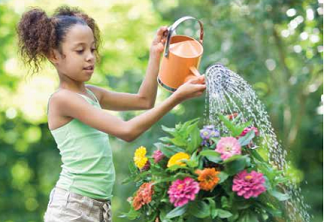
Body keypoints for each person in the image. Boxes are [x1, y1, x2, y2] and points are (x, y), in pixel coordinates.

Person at [17, 5, 206, 222]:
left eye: (92, 49)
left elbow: (144, 101)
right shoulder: (63, 100)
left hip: (98, 208)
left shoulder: (91, 94)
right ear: (54, 55)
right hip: (72, 209)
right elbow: (126, 131)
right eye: (80, 51)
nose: (90, 57)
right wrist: (177, 97)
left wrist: (155, 54)